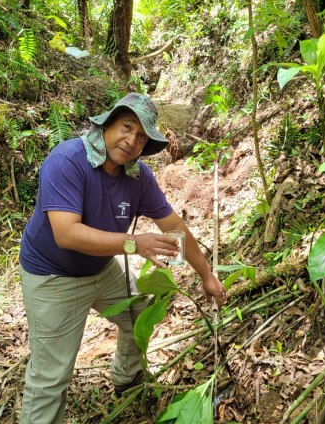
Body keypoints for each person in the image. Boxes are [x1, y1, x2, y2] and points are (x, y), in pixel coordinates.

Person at [18, 92, 226, 424]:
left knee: (143, 309)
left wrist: (206, 275)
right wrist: (134, 244)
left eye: (141, 136)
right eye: (127, 128)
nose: (131, 141)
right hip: (52, 275)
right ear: (107, 125)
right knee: (50, 378)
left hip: (99, 268)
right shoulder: (68, 160)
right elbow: (66, 234)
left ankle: (127, 377)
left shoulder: (137, 176)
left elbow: (172, 225)